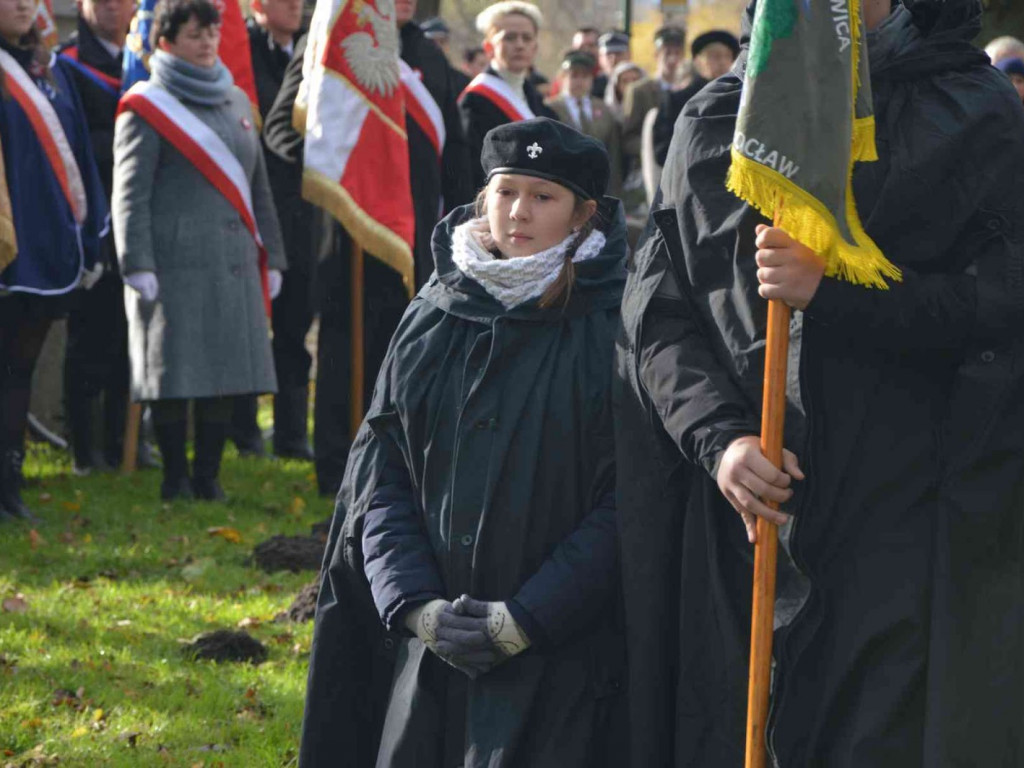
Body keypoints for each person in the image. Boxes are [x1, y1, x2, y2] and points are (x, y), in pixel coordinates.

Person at [616, 1, 1024, 766]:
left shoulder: (974, 108)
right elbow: (660, 316)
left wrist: (836, 290)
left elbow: (999, 307)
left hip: (906, 514)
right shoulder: (717, 117)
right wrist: (721, 442)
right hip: (742, 516)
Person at [300, 117, 627, 768]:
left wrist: (526, 619)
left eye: (543, 196)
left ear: (583, 214)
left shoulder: (615, 326)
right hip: (429, 656)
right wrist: (415, 604)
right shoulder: (434, 312)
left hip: (561, 665)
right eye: (506, 192)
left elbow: (628, 500)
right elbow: (381, 470)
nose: (519, 212)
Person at [263, 0, 473, 496]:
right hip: (349, 237)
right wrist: (337, 174)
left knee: (413, 350)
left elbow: (454, 151)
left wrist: (467, 224)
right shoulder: (329, 42)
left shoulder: (429, 53)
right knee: (345, 349)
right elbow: (280, 130)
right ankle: (338, 471)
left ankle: (400, 467)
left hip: (418, 235)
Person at [113, 0, 286, 501]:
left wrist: (271, 255)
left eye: (212, 32)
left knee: (225, 372)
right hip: (173, 261)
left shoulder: (234, 99)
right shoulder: (147, 104)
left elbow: (259, 188)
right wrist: (137, 262)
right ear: (166, 43)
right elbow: (130, 195)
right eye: (194, 35)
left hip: (232, 261)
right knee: (175, 372)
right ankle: (174, 478)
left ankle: (208, 478)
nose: (208, 42)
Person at [0, 0, 108, 522]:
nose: (22, 5)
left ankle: (10, 484)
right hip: (6, 244)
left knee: (18, 368)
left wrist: (90, 233)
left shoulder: (51, 69)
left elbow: (79, 155)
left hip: (44, 248)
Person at [56, 0, 137, 476]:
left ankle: (124, 440)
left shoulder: (144, 60)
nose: (113, 6)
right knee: (90, 335)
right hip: (92, 219)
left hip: (139, 219)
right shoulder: (69, 64)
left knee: (132, 334)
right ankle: (86, 449)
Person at [232, 0, 314, 460]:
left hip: (298, 214)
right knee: (248, 327)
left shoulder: (313, 48)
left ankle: (289, 434)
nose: (297, 6)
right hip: (246, 209)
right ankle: (243, 433)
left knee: (293, 326)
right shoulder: (236, 50)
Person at [459, 1, 554, 187]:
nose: (519, 45)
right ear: (489, 48)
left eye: (527, 38)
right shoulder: (475, 100)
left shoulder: (537, 100)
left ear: (535, 47)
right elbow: (467, 171)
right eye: (509, 38)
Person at [652, 30, 738, 167]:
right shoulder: (677, 100)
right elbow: (662, 151)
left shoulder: (740, 100)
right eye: (714, 56)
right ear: (698, 61)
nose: (722, 62)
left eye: (727, 56)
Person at [547, 50, 621, 195]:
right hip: (563, 182)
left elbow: (614, 151)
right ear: (562, 77)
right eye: (574, 76)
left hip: (598, 184)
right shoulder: (550, 108)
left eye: (585, 76)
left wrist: (614, 190)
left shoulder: (603, 108)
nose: (579, 81)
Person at [621, 25, 685, 161]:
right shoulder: (639, 91)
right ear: (656, 55)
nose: (672, 59)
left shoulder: (689, 89)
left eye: (677, 53)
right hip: (649, 166)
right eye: (667, 53)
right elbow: (628, 137)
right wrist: (653, 149)